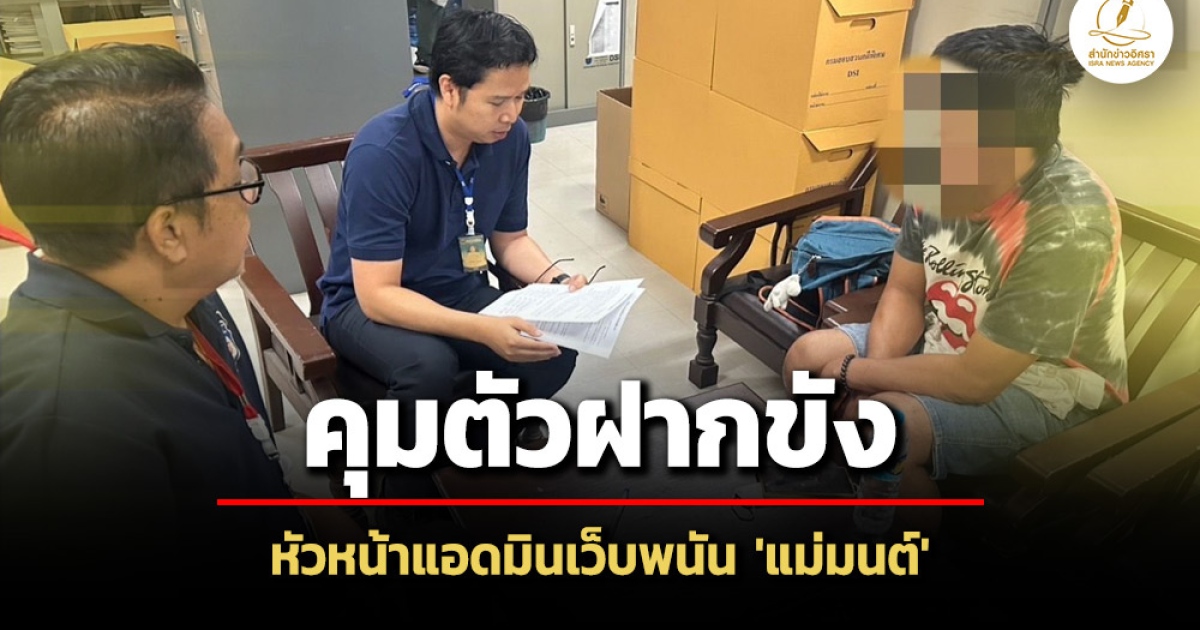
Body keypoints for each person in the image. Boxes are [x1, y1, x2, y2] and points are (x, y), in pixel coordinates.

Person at [0, 44, 358, 583]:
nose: (250, 195)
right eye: (237, 178)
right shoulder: (69, 436)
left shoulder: (180, 292)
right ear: (169, 231)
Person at [783, 25, 1127, 530]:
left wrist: (857, 375)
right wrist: (873, 375)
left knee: (884, 427)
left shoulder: (1068, 223)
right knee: (806, 358)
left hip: (1045, 389)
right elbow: (904, 291)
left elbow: (977, 380)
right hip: (948, 337)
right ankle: (832, 475)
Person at [318, 10, 582, 517]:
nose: (513, 114)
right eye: (498, 101)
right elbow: (378, 295)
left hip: (458, 288)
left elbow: (511, 240)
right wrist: (483, 329)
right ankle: (396, 488)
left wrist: (558, 281)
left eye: (521, 97)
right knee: (428, 366)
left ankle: (472, 441)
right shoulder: (385, 151)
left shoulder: (509, 140)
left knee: (555, 346)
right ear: (450, 89)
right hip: (366, 304)